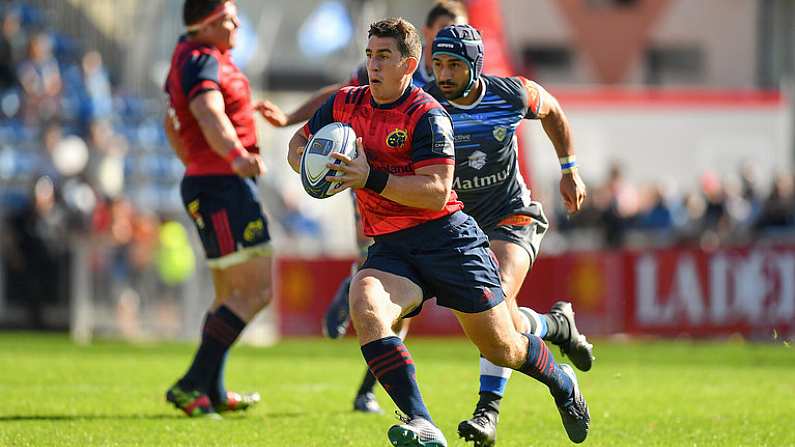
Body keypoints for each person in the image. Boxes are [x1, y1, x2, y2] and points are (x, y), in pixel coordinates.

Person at [288, 18, 590, 446]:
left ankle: (560, 381)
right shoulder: (344, 105)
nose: (373, 65)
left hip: (450, 239)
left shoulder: (427, 114)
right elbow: (298, 144)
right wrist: (311, 163)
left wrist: (367, 177)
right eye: (370, 55)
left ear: (409, 64)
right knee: (367, 304)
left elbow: (434, 193)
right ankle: (421, 421)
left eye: (384, 57)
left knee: (503, 346)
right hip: (392, 246)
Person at [269, 0, 469, 415]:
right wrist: (294, 124)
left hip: (441, 194)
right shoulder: (386, 72)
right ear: (428, 37)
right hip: (377, 184)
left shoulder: (463, 79)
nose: (453, 40)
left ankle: (371, 385)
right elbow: (337, 95)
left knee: (416, 312)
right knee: (383, 291)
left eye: (461, 30)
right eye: (445, 31)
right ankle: (384, 396)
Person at [427, 24, 592, 446]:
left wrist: (569, 170)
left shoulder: (512, 94)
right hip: (460, 230)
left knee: (493, 296)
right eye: (438, 64)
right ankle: (555, 326)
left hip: (513, 215)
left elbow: (553, 110)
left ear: (475, 66)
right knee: (498, 319)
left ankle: (488, 412)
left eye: (454, 65)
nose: (444, 74)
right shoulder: (423, 103)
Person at [162, 0, 275, 418]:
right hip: (222, 184)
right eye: (228, 17)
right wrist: (233, 157)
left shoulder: (192, 57)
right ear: (206, 24)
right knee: (256, 291)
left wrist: (197, 162)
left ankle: (211, 389)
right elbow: (206, 111)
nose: (236, 23)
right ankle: (191, 384)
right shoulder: (201, 58)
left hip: (211, 181)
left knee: (229, 295)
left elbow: (170, 124)